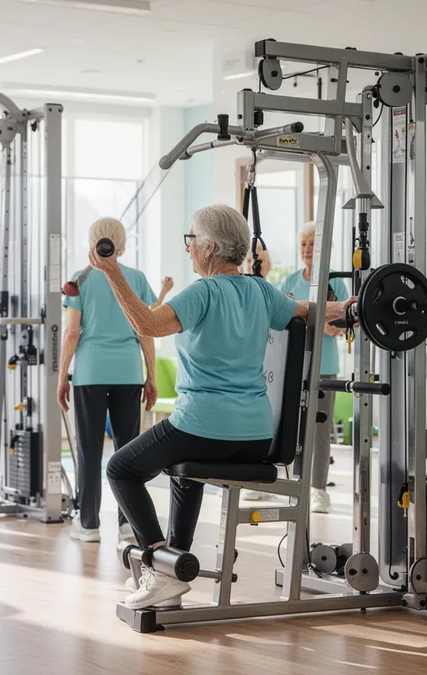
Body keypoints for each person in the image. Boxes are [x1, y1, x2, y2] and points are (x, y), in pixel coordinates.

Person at [97, 204, 353, 610]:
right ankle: (174, 567)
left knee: (120, 469)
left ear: (210, 246)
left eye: (191, 239)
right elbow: (305, 311)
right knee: (186, 475)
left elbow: (148, 324)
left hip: (201, 427)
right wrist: (344, 309)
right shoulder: (261, 290)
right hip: (254, 436)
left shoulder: (203, 292)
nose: (188, 248)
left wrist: (111, 271)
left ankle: (160, 563)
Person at [57, 218, 159, 544]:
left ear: (93, 242)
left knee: (88, 450)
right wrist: (151, 376)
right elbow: (147, 330)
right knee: (128, 452)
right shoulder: (138, 278)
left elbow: (72, 333)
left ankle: (88, 525)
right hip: (129, 372)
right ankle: (128, 524)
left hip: (89, 374)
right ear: (122, 243)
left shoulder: (79, 280)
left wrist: (62, 377)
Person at [273, 222, 350, 512]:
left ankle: (318, 489)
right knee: (293, 426)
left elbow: (340, 323)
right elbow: (280, 319)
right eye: (303, 244)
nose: (307, 250)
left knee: (319, 429)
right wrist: (318, 322)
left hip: (324, 366)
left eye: (312, 245)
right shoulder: (291, 281)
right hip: (295, 365)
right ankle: (296, 482)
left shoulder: (335, 281)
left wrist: (321, 323)